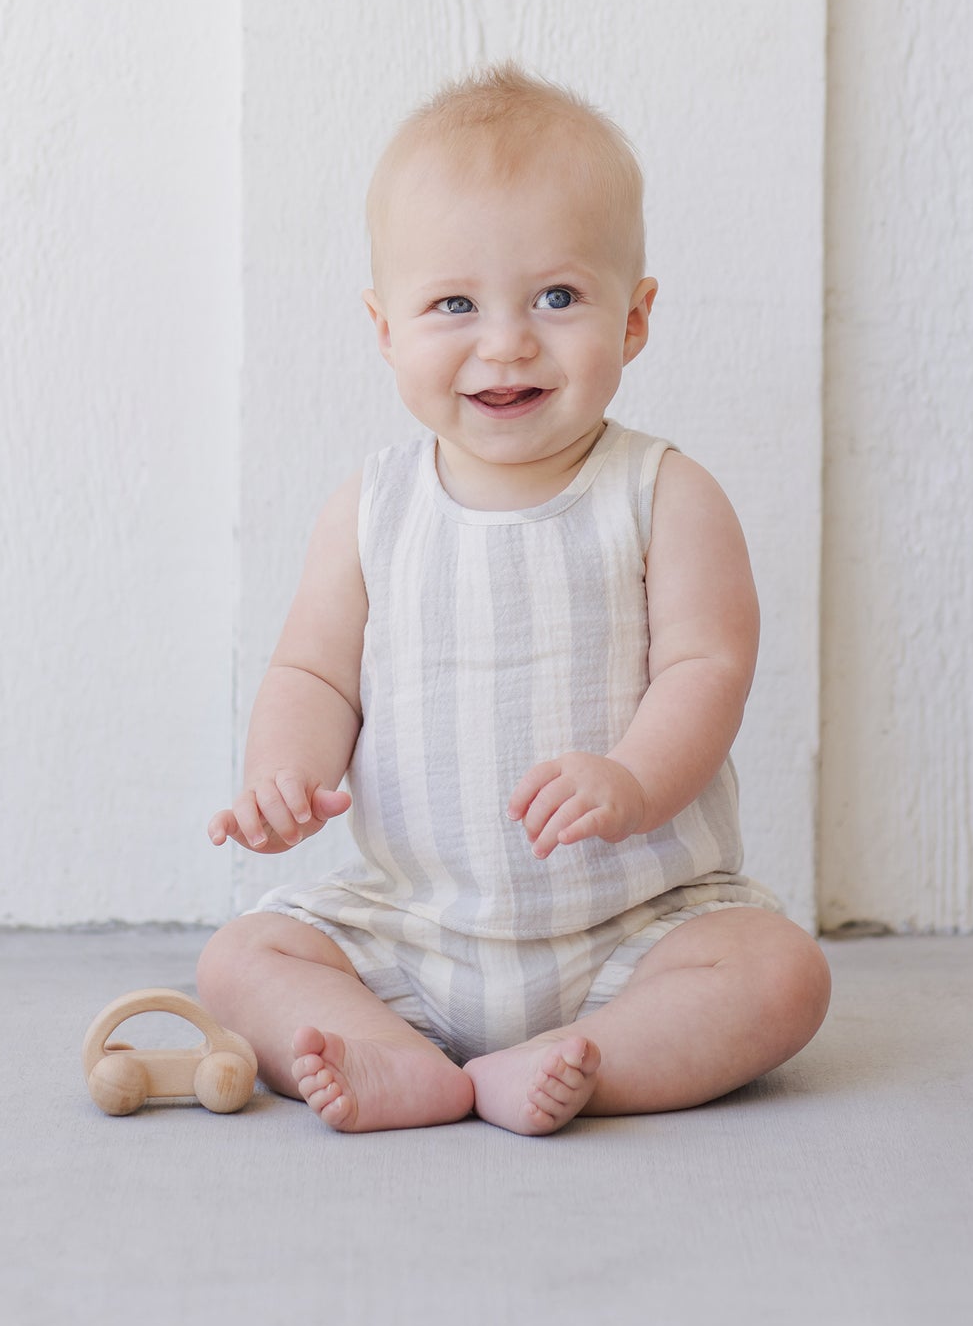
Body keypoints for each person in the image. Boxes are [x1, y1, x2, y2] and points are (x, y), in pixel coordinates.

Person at [195, 63, 830, 1136]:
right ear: (383, 327)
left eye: (556, 297)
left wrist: (630, 779)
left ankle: (589, 1055)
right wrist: (281, 773)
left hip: (632, 929)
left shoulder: (662, 494)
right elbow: (310, 670)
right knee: (241, 958)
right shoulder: (371, 509)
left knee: (777, 975)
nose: (505, 341)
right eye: (452, 304)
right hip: (415, 924)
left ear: (632, 319)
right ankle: (398, 1057)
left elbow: (706, 669)